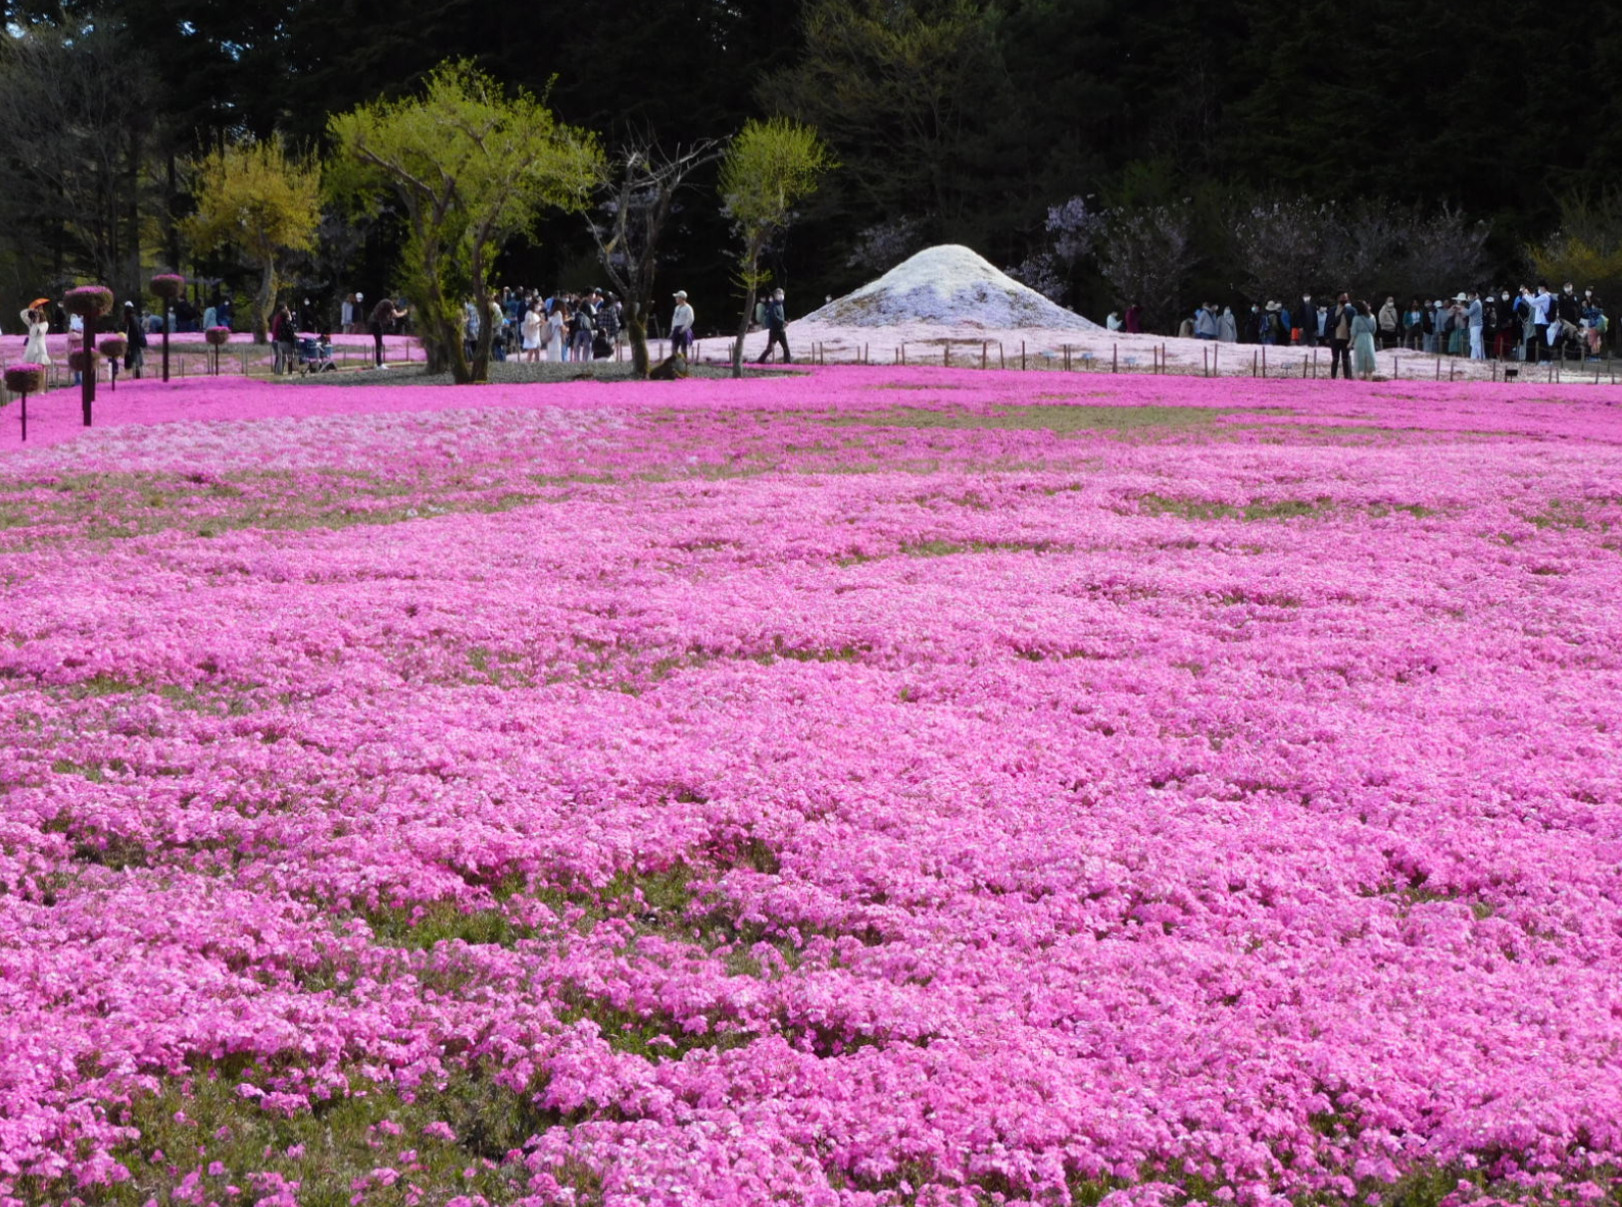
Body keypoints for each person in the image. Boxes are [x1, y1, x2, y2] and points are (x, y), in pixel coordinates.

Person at [368, 296, 407, 367]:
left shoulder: (384, 303)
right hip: (376, 323)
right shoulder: (389, 303)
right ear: (394, 300)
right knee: (379, 343)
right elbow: (396, 315)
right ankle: (379, 363)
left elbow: (388, 316)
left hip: (373, 322)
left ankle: (379, 362)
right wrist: (404, 312)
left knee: (378, 342)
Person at [758, 288, 791, 364]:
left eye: (782, 293)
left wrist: (784, 322)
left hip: (781, 330)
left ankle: (787, 363)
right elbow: (774, 316)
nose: (782, 295)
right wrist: (783, 322)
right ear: (776, 295)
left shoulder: (780, 304)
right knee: (770, 348)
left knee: (786, 348)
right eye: (779, 294)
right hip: (774, 330)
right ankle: (760, 361)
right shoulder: (773, 305)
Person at [1350, 301, 1378, 380]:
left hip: (1359, 338)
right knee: (1370, 357)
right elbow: (1374, 330)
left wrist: (1350, 343)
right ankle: (1370, 378)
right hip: (1369, 338)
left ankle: (1357, 378)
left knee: (1359, 358)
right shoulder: (1372, 317)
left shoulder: (1356, 318)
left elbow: (1353, 332)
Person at [1329, 293, 1353, 380]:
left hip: (1346, 338)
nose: (1345, 300)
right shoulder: (1333, 310)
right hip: (1335, 338)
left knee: (1345, 359)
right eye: (1343, 298)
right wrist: (1327, 336)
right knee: (1335, 359)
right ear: (1338, 299)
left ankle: (1347, 377)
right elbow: (1329, 323)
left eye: (1346, 298)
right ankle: (1333, 377)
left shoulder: (1350, 310)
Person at [123, 300, 147, 378]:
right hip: (134, 342)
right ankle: (137, 376)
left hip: (134, 343)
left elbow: (135, 332)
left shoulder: (132, 319)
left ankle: (137, 377)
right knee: (136, 361)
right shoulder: (134, 318)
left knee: (135, 360)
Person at [670, 290, 694, 357]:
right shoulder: (676, 308)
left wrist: (684, 329)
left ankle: (685, 365)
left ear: (681, 298)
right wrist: (672, 329)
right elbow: (674, 319)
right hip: (676, 329)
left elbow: (691, 319)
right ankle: (675, 364)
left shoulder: (688, 308)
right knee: (674, 348)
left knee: (683, 348)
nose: (676, 299)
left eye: (677, 297)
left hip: (683, 329)